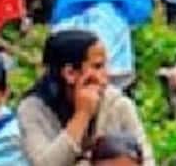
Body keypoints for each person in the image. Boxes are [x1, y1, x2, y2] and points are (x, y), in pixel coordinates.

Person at [16, 29, 155, 166]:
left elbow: (147, 159)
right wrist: (82, 115)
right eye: (97, 66)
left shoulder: (117, 104)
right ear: (70, 73)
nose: (106, 76)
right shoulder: (33, 109)